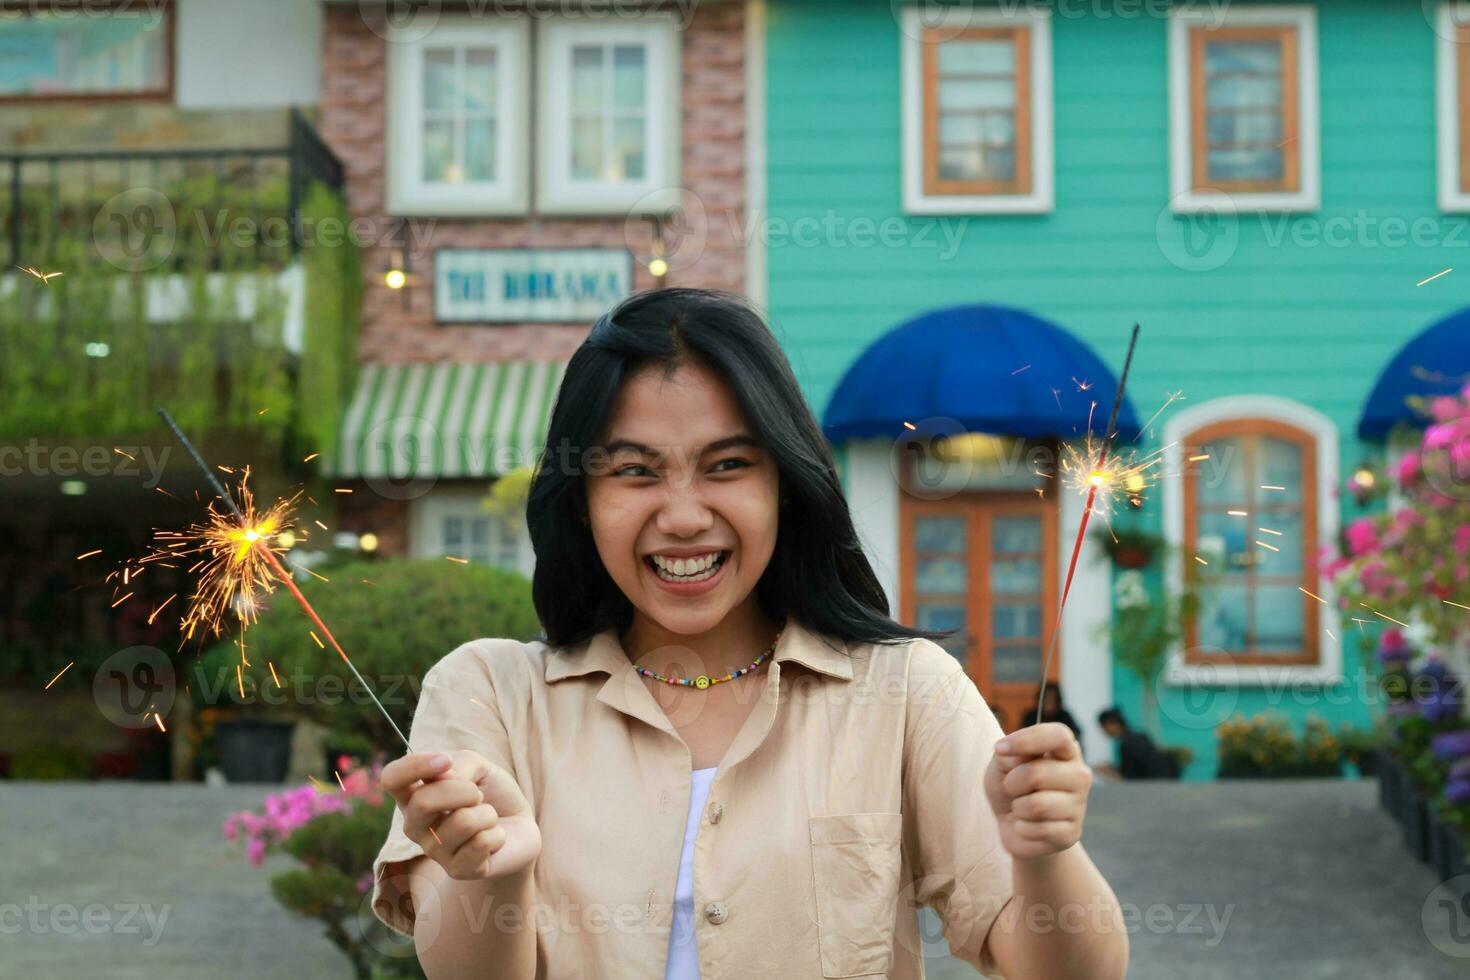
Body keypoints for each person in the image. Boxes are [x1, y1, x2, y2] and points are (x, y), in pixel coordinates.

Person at [374, 288, 1129, 979]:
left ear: (785, 486)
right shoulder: (490, 696)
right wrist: (495, 874)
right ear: (580, 501)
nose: (683, 515)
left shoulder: (905, 692)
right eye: (636, 472)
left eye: (726, 465)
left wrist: (1044, 857)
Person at [1096, 706, 1181, 780]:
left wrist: (1110, 772)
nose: (1103, 731)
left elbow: (1129, 777)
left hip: (1155, 783)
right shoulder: (1140, 735)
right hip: (1167, 778)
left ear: (1112, 724)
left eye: (1103, 727)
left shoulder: (1127, 743)